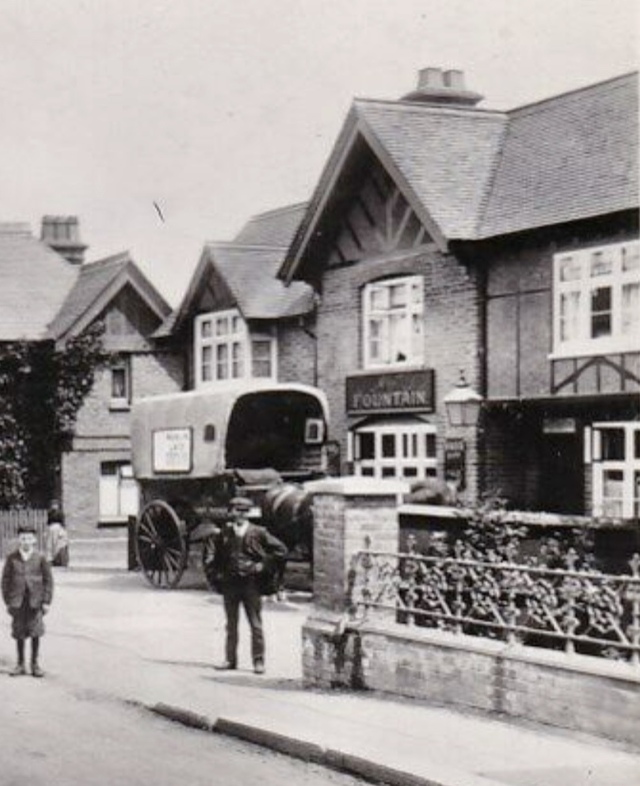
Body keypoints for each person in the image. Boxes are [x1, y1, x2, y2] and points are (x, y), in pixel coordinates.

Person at [211, 496, 287, 674]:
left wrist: (263, 565)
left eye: (244, 512)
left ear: (248, 514)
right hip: (230, 584)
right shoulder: (224, 533)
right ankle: (230, 660)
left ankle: (258, 661)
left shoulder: (259, 532)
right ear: (231, 512)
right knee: (231, 624)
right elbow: (217, 558)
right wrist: (219, 575)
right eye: (237, 511)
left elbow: (281, 550)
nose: (241, 515)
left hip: (251, 585)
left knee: (255, 624)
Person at [2, 522, 54, 678]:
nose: (26, 541)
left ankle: (35, 664)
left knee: (35, 631)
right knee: (19, 632)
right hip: (17, 602)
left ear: (34, 540)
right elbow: (5, 581)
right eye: (23, 538)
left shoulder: (40, 557)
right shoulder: (12, 558)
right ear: (19, 540)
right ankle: (20, 664)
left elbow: (48, 581)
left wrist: (46, 601)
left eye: (29, 538)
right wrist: (8, 601)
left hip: (35, 601)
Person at [46, 499, 69, 567]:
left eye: (55, 505)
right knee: (50, 544)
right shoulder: (49, 513)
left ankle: (59, 559)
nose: (54, 506)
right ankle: (51, 559)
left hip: (58, 528)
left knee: (59, 544)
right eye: (53, 505)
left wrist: (63, 531)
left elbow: (62, 522)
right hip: (51, 528)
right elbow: (48, 522)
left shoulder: (60, 513)